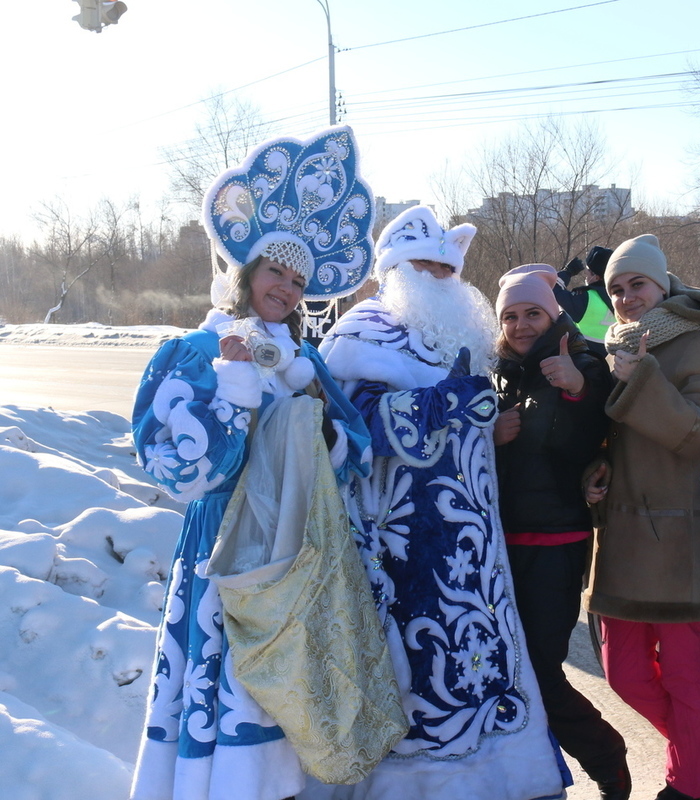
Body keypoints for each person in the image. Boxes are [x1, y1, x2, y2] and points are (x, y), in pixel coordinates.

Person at [129, 126, 376, 800]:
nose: (288, 289)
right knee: (231, 694)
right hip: (225, 552)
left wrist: (312, 403)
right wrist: (234, 390)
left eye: (299, 280)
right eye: (276, 272)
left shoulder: (306, 364)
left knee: (288, 701)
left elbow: (355, 459)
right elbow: (187, 475)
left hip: (300, 551)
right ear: (245, 270)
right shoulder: (191, 355)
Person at [309, 206, 567, 800]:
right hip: (404, 546)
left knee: (480, 659)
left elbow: (470, 421)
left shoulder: (457, 335)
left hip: (472, 546)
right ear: (395, 270)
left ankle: (492, 779)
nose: (440, 277)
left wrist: (484, 430)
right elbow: (354, 428)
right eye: (425, 266)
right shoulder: (362, 334)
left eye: (447, 268)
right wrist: (450, 407)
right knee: (419, 670)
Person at [582, 234, 700, 800]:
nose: (628, 297)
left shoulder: (692, 347)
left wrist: (643, 380)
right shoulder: (617, 345)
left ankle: (689, 784)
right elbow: (618, 437)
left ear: (661, 284)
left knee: (685, 676)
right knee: (624, 674)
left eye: (638, 285)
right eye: (618, 289)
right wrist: (598, 466)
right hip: (624, 535)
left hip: (678, 536)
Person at [491, 264, 630, 800]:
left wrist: (576, 393)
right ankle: (531, 774)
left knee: (541, 670)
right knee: (509, 666)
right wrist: (489, 436)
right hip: (503, 544)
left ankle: (607, 760)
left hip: (555, 542)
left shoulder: (583, 359)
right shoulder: (503, 371)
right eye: (511, 316)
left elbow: (591, 441)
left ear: (553, 314)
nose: (522, 325)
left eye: (532, 313)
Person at [555, 245, 615, 356]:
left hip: (586, 362)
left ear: (596, 277)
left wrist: (567, 272)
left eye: (588, 272)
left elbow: (553, 290)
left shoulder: (586, 298)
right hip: (615, 362)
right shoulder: (620, 297)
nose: (586, 275)